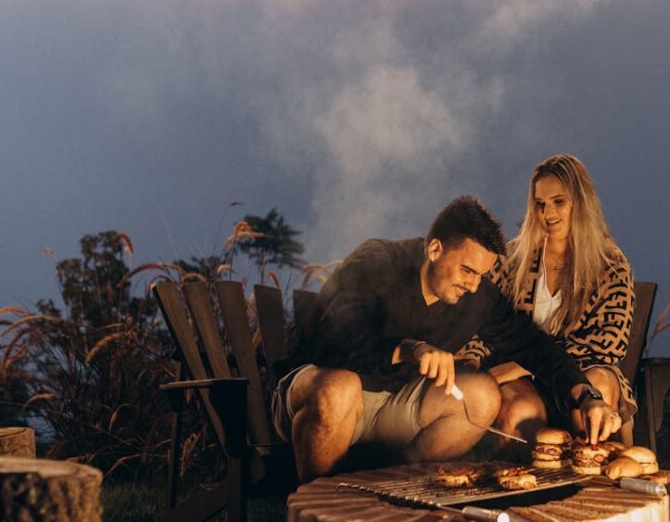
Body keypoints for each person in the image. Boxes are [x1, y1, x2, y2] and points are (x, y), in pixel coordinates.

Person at [271, 195, 620, 482]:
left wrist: (586, 395)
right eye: (467, 270)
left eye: (480, 275)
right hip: (322, 392)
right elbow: (329, 343)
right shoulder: (378, 261)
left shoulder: (475, 295)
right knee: (340, 387)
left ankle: (399, 488)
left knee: (482, 394)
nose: (472, 284)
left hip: (394, 405)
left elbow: (532, 344)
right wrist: (409, 349)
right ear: (435, 249)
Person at [463, 155, 637, 445]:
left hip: (583, 370)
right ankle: (530, 485)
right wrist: (470, 359)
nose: (547, 213)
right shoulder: (513, 258)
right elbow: (482, 319)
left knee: (596, 391)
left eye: (559, 202)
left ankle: (592, 482)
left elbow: (610, 342)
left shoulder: (609, 262)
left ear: (580, 203)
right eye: (540, 204)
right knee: (518, 410)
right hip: (521, 381)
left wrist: (529, 363)